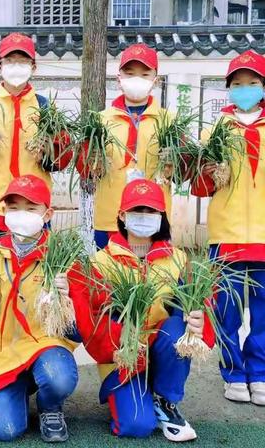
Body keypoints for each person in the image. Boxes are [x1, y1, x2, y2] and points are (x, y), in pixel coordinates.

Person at [68, 179, 215, 442]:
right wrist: (122, 342)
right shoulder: (100, 263)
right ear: (122, 215)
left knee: (176, 328)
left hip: (161, 352)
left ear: (161, 217)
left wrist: (199, 321)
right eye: (137, 211)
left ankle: (165, 400)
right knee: (137, 426)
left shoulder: (178, 260)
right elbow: (91, 325)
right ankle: (137, 395)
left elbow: (198, 304)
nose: (144, 217)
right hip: (122, 359)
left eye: (151, 211)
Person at [0, 174, 80, 442]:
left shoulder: (63, 258)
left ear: (47, 214)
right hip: (5, 354)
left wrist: (67, 299)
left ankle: (50, 407)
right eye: (14, 208)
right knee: (4, 431)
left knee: (58, 377)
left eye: (31, 208)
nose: (21, 215)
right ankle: (20, 386)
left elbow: (79, 333)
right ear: (3, 212)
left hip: (46, 348)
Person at [192, 50, 265, 406]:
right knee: (227, 311)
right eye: (238, 84)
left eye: (253, 84)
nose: (245, 90)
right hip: (226, 237)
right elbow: (200, 187)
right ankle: (233, 373)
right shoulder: (215, 130)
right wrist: (205, 170)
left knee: (264, 313)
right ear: (228, 89)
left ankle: (261, 373)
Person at [0, 33, 72, 238]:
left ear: (33, 66)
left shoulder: (45, 107)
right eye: (10, 60)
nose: (16, 66)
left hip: (34, 208)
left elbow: (62, 159)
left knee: (34, 267)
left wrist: (50, 149)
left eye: (22, 61)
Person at [76, 43, 172, 249]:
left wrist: (175, 161)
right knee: (107, 277)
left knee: (153, 277)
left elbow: (185, 170)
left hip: (153, 219)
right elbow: (84, 167)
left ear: (155, 80)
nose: (136, 79)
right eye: (129, 73)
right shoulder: (100, 121)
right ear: (119, 79)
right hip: (109, 218)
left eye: (145, 74)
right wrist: (92, 161)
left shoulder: (169, 122)